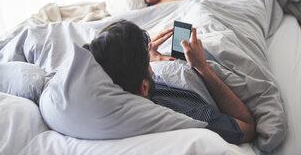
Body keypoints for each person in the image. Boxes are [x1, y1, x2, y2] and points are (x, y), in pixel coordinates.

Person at [83, 20, 256, 144]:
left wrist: (144, 61)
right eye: (147, 65)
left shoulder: (89, 98)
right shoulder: (187, 116)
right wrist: (202, 67)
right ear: (143, 87)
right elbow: (247, 127)